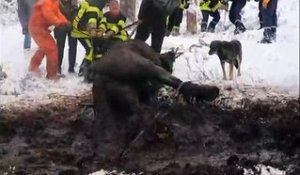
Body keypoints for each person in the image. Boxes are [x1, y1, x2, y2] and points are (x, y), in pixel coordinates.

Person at [28, 0, 70, 80]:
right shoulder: (46, 2)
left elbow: (57, 13)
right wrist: (60, 23)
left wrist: (65, 22)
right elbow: (49, 15)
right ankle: (51, 75)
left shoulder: (54, 2)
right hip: (37, 28)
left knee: (44, 48)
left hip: (41, 28)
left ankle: (33, 67)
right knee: (51, 48)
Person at [71, 0, 108, 77]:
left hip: (86, 31)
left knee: (95, 48)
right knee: (90, 49)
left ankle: (90, 69)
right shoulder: (93, 5)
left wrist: (101, 30)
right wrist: (92, 29)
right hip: (80, 31)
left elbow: (101, 20)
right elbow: (92, 19)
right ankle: (83, 69)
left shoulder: (98, 7)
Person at [54, 0, 78, 74]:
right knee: (60, 48)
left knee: (73, 47)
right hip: (61, 27)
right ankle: (58, 66)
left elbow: (77, 15)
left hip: (72, 27)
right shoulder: (57, 3)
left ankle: (71, 67)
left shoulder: (74, 3)